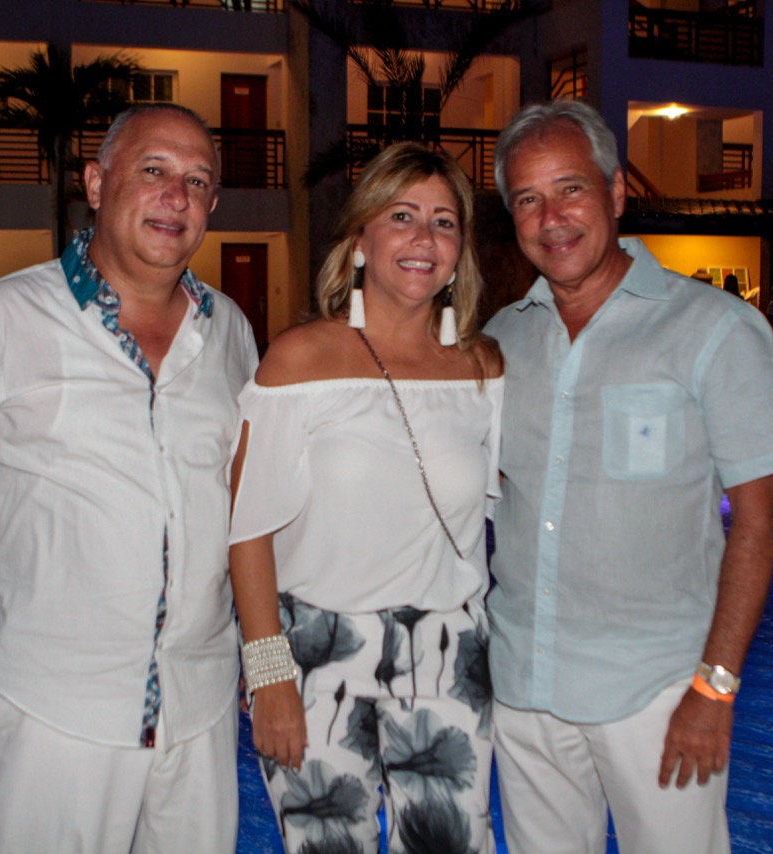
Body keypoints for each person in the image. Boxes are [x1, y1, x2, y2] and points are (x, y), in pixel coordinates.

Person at [0, 104, 257, 853]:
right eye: (152, 170)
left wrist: (263, 653)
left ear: (212, 205)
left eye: (197, 181)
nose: (176, 196)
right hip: (56, 699)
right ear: (95, 183)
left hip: (200, 698)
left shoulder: (231, 331)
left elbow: (248, 504)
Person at [483, 100, 773, 854]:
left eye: (570, 188)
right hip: (526, 687)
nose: (551, 218)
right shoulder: (502, 339)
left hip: (658, 690)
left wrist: (715, 687)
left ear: (617, 191)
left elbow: (760, 518)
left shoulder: (715, 329)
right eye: (527, 199)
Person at [228, 142, 503, 853]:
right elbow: (247, 529)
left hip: (449, 651)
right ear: (359, 242)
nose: (423, 238)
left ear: (460, 251)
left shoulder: (483, 368)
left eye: (444, 222)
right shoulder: (299, 358)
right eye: (401, 216)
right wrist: (269, 673)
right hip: (316, 654)